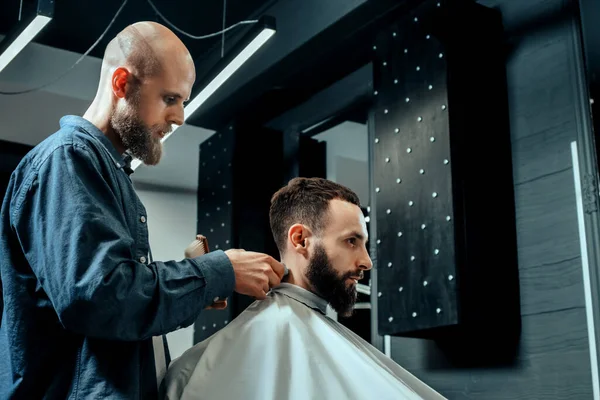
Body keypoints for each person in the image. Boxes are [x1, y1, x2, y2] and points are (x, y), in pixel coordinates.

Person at [0, 21, 285, 399]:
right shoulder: (67, 160)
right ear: (121, 84)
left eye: (183, 101)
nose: (180, 117)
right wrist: (218, 272)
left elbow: (116, 297)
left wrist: (195, 287)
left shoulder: (107, 172)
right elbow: (101, 297)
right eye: (170, 99)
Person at [162, 177, 446, 400]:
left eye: (365, 244)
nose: (367, 261)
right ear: (300, 240)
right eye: (351, 241)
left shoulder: (197, 367)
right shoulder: (209, 364)